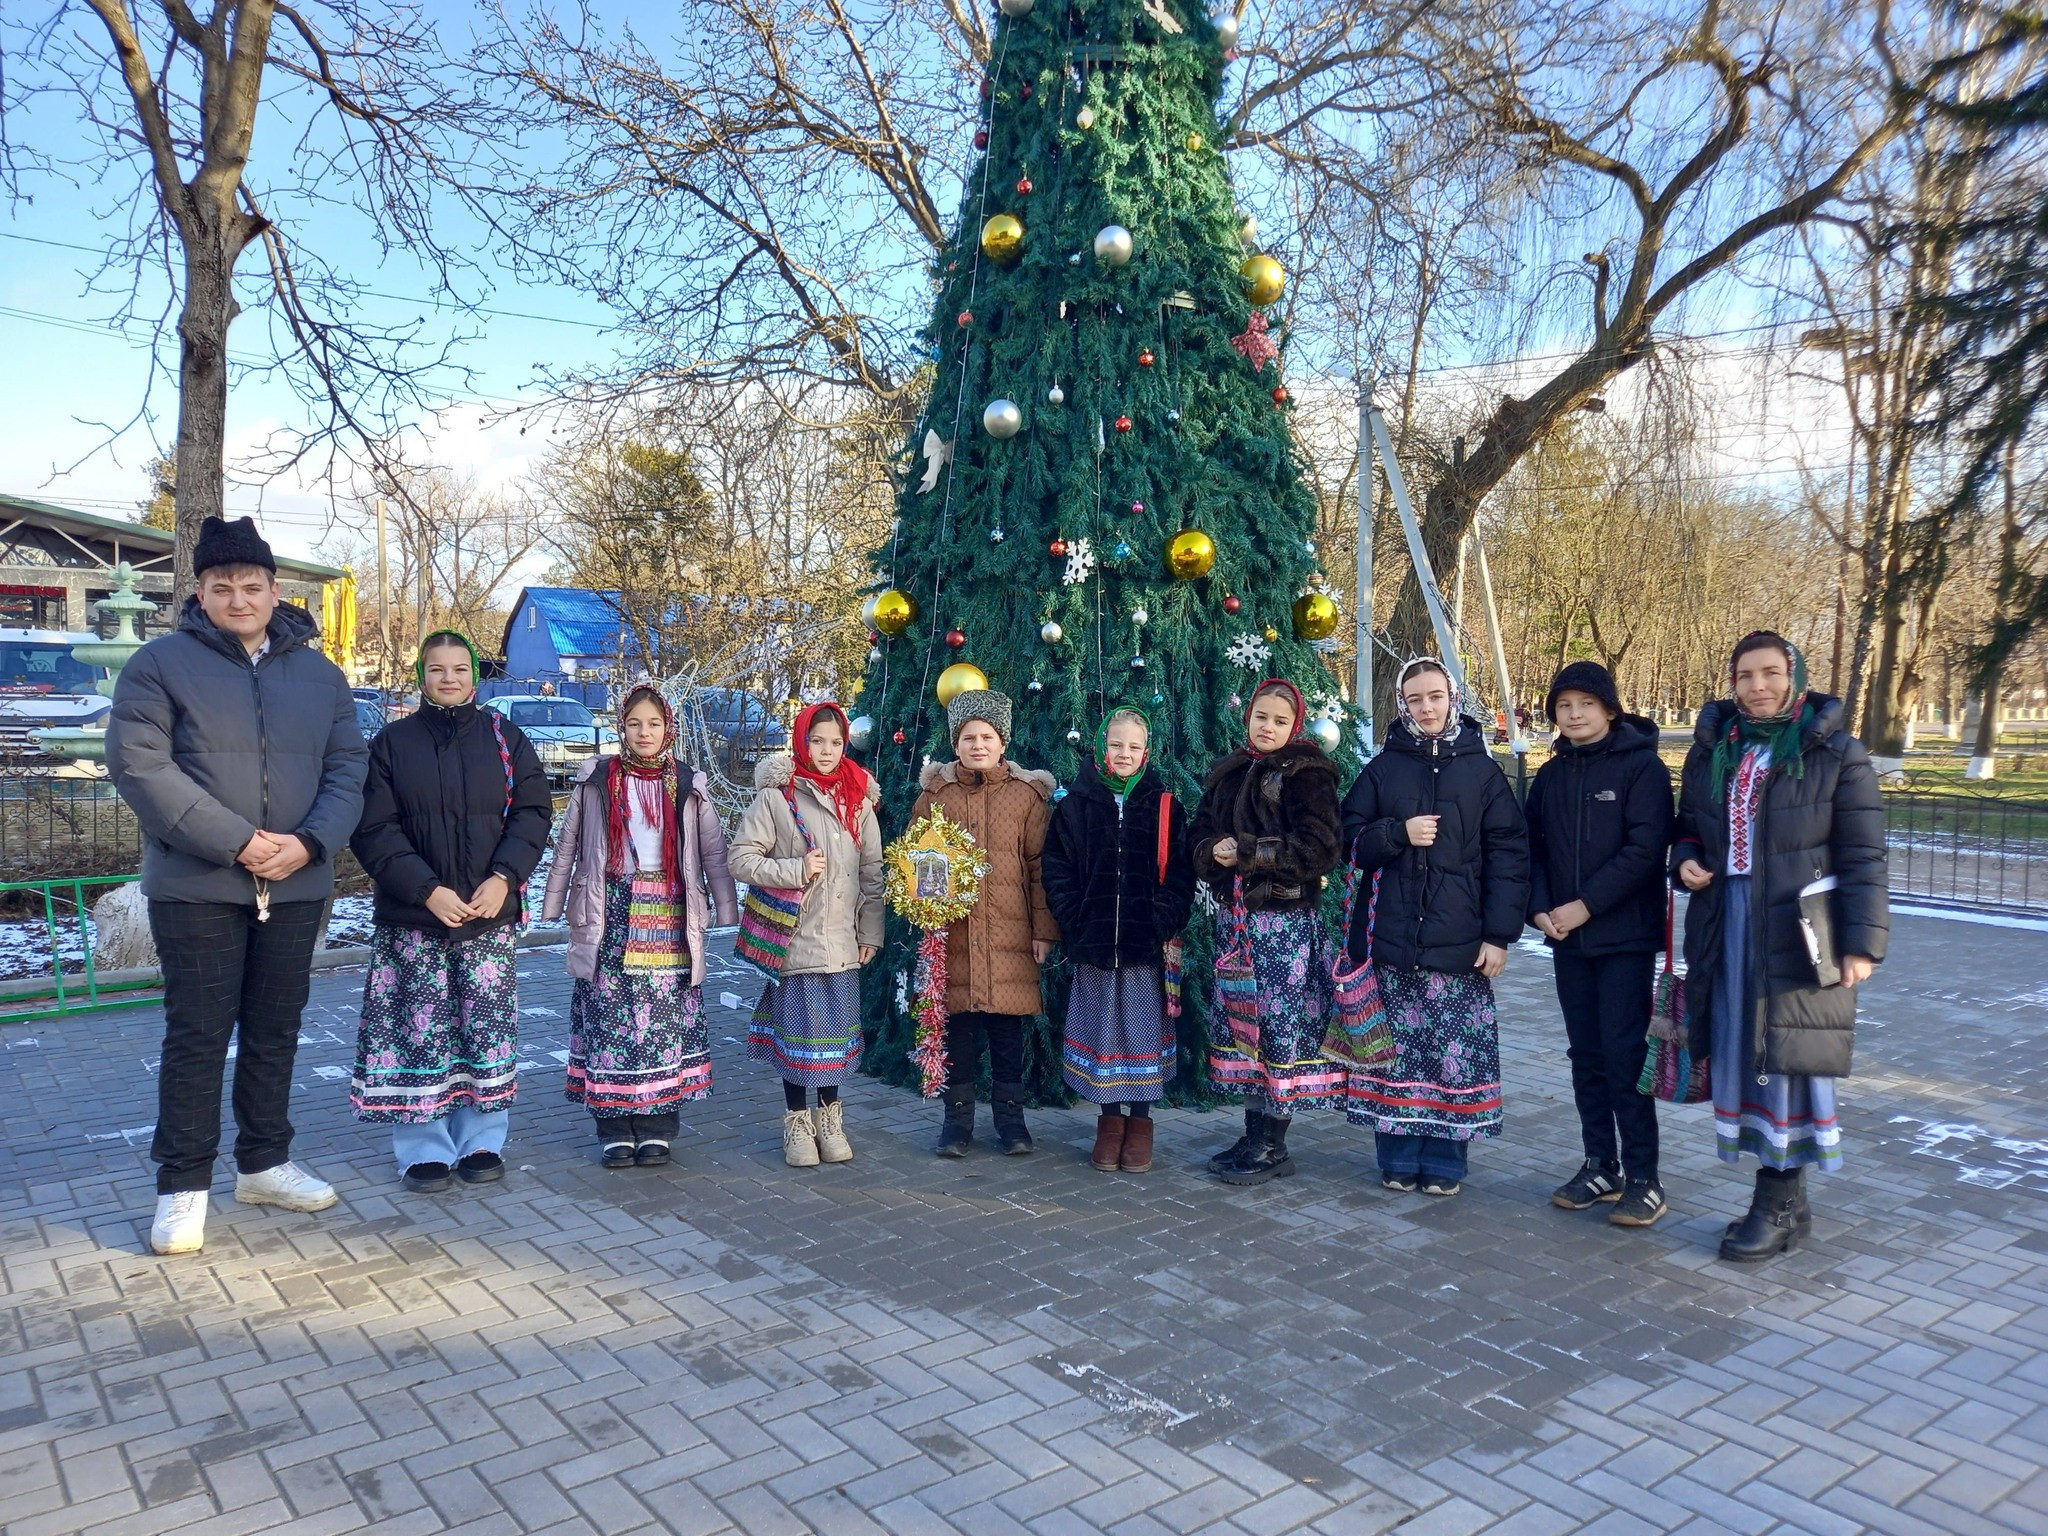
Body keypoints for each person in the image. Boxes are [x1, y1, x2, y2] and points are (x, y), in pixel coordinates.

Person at [106, 515, 368, 1256]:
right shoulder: (158, 666)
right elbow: (140, 767)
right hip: (197, 885)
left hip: (295, 883)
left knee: (276, 1030)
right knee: (198, 1035)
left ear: (274, 589)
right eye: (223, 586)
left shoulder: (319, 674)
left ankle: (264, 1162)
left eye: (252, 585)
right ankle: (182, 1188)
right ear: (200, 590)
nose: (239, 597)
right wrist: (239, 843)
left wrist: (310, 842)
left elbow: (349, 768)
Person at [1673, 631, 1887, 1261]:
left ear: (1793, 676)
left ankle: (1780, 1202)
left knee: (1788, 1053)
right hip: (1728, 924)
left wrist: (1862, 944)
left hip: (1799, 931)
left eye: (1770, 673)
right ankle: (1779, 1197)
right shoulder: (1716, 750)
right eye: (1745, 675)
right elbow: (1689, 828)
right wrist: (1685, 860)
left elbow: (1864, 855)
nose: (1758, 686)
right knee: (1747, 1051)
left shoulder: (1835, 753)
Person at [347, 632, 552, 1192]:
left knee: (483, 1032)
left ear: (474, 675)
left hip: (487, 916)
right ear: (421, 675)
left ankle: (482, 1140)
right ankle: (423, 1146)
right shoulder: (391, 744)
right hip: (415, 920)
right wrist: (426, 890)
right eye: (436, 668)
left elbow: (533, 815)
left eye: (459, 668)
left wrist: (503, 878)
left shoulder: (507, 739)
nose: (448, 678)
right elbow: (373, 828)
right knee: (421, 1032)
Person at [1341, 657, 1530, 1197]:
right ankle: (1398, 1157)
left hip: (1461, 947)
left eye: (1435, 697)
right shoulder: (1383, 769)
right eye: (1415, 698)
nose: (1426, 708)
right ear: (1402, 704)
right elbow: (1349, 841)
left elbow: (1509, 857)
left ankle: (1446, 1162)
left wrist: (1498, 936)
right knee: (1395, 1055)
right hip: (1391, 944)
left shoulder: (1482, 772)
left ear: (1453, 698)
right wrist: (1397, 833)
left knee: (1452, 1057)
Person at [542, 685, 738, 1167]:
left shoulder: (689, 783)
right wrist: (552, 903)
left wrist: (727, 908)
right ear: (621, 728)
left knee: (665, 1024)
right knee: (610, 1022)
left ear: (668, 727)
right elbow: (569, 845)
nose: (644, 733)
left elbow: (712, 852)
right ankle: (614, 1128)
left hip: (670, 911)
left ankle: (656, 1127)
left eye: (653, 724)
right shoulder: (598, 778)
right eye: (634, 724)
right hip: (611, 908)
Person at [1525, 661, 1675, 1226]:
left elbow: (1644, 851)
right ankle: (1599, 1163)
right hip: (1567, 941)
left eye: (1586, 704)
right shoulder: (1552, 776)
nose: (1575, 714)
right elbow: (1530, 846)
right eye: (1564, 706)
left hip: (1623, 939)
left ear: (1610, 709)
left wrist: (1584, 905)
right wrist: (1539, 907)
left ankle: (1644, 1176)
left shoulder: (1643, 769)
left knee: (1624, 1055)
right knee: (1585, 1054)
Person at [1189, 678, 1344, 1186]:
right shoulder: (1232, 771)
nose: (1269, 727)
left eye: (1280, 720)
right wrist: (1211, 852)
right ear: (1248, 717)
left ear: (1294, 724)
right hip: (1236, 925)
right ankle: (1253, 1130)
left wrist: (1252, 852)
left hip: (1284, 926)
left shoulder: (1308, 773)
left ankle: (1274, 1141)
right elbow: (1201, 832)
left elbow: (1319, 846)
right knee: (1244, 1025)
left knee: (1278, 1026)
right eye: (1261, 717)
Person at [1041, 706, 1197, 1175]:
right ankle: (1109, 1123)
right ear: (1100, 747)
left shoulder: (1165, 805)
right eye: (1116, 745)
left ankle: (1141, 1125)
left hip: (1144, 950)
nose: (1124, 754)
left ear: (1145, 752)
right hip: (1093, 949)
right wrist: (1075, 918)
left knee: (1141, 1035)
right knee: (1104, 1036)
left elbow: (1182, 877)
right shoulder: (1076, 805)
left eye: (1133, 746)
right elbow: (1057, 870)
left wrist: (1160, 920)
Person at [729, 701, 884, 1168]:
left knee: (832, 1040)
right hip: (794, 942)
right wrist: (795, 868)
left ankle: (831, 1119)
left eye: (836, 742)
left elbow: (873, 872)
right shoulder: (778, 796)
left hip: (840, 943)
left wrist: (870, 930)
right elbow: (741, 859)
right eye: (817, 740)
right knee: (798, 1040)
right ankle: (797, 1120)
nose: (827, 750)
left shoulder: (858, 799)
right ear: (801, 740)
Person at [911, 689, 1058, 1157]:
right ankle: (957, 1125)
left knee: (1006, 1032)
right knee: (960, 1030)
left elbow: (1039, 866)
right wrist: (930, 908)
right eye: (969, 736)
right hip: (953, 935)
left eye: (987, 736)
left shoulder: (1026, 796)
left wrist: (1043, 930)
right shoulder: (937, 794)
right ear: (956, 743)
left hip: (1010, 936)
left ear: (1003, 742)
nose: (978, 745)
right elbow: (920, 855)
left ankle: (1011, 1123)